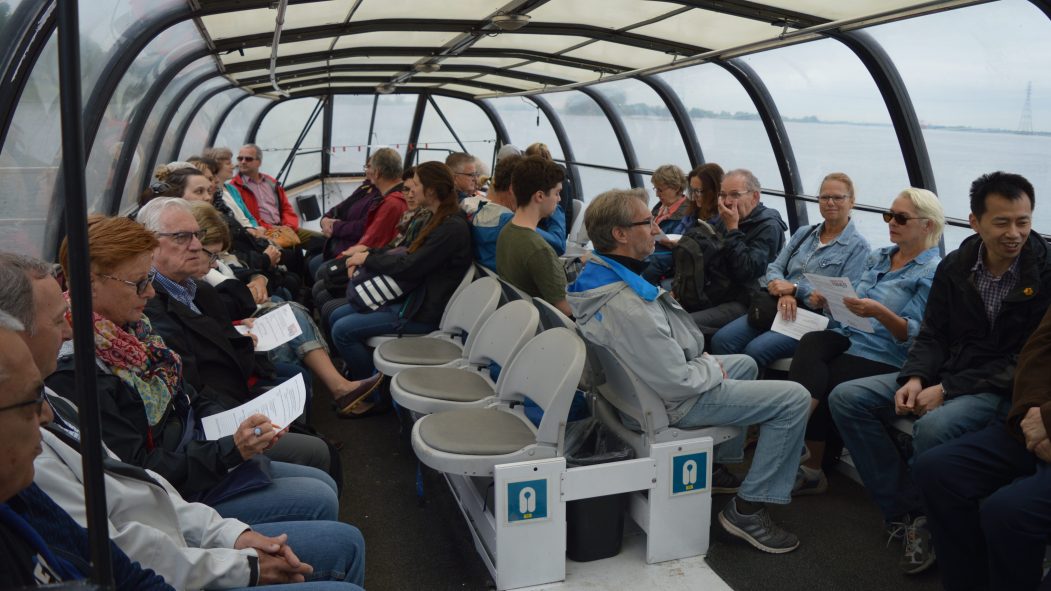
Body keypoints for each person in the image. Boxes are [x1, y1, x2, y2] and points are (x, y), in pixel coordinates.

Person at [0, 252, 367, 590]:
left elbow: (140, 482)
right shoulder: (75, 381)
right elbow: (129, 520)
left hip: (182, 506)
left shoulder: (131, 342)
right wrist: (240, 559)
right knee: (324, 500)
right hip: (186, 502)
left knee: (325, 495)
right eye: (139, 282)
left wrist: (230, 535)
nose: (67, 331)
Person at [46, 216, 339, 525]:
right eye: (140, 283)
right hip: (174, 497)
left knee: (321, 483)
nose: (150, 293)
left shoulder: (133, 332)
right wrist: (230, 450)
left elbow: (185, 396)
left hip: (197, 452)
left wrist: (236, 421)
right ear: (90, 283)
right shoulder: (80, 373)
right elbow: (138, 472)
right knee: (319, 496)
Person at [831, 171, 1051, 576]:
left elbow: (1026, 361)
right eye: (1001, 222)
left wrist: (946, 389)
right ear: (975, 222)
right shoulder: (959, 264)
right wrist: (915, 378)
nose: (1014, 233)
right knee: (848, 398)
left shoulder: (1043, 273)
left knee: (934, 428)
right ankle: (908, 512)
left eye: (1023, 221)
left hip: (998, 386)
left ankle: (930, 521)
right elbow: (933, 332)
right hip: (948, 374)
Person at [567, 189, 810, 554]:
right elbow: (677, 381)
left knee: (744, 362)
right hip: (671, 402)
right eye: (646, 223)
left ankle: (714, 469)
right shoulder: (628, 306)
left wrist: (707, 366)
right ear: (620, 234)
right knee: (794, 399)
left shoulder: (595, 277)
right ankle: (748, 510)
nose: (655, 229)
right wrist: (710, 368)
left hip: (632, 395)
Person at [785, 188, 943, 499]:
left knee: (825, 376)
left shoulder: (932, 272)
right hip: (853, 336)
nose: (891, 222)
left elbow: (914, 334)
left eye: (900, 217)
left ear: (927, 225)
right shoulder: (880, 256)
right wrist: (829, 301)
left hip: (885, 352)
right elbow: (853, 298)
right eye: (889, 215)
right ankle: (794, 441)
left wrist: (880, 312)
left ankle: (803, 456)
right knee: (812, 343)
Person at [0, 312, 174, 589]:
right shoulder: (27, 475)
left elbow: (119, 566)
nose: (45, 415)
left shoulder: (20, 492)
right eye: (31, 400)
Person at [191, 202, 382, 415]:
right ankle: (336, 391)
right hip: (233, 348)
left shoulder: (203, 270)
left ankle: (334, 393)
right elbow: (226, 302)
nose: (215, 263)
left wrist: (259, 278)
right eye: (213, 256)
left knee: (295, 302)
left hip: (241, 325)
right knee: (299, 322)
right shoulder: (191, 284)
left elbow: (234, 275)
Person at [915, 306, 1051, 591]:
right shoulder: (956, 268)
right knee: (936, 469)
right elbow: (1038, 352)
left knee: (1008, 511)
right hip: (1031, 420)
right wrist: (1030, 414)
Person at [329, 161, 473, 381]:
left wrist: (367, 258)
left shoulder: (451, 228)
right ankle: (366, 375)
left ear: (431, 190)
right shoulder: (437, 218)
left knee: (342, 330)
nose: (410, 190)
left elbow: (410, 266)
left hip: (421, 311)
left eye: (415, 184)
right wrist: (370, 256)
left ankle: (368, 391)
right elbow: (408, 257)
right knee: (337, 314)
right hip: (411, 297)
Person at [711, 172, 870, 368]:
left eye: (838, 197)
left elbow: (845, 300)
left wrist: (795, 290)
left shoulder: (858, 248)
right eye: (824, 197)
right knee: (722, 340)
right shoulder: (805, 233)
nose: (830, 202)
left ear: (851, 202)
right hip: (779, 305)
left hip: (816, 318)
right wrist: (785, 292)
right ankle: (724, 391)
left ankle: (751, 395)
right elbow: (774, 267)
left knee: (756, 350)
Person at [691, 168, 787, 336]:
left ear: (755, 197)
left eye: (735, 195)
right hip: (717, 290)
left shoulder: (769, 226)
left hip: (744, 299)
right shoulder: (727, 219)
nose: (727, 202)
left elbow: (747, 270)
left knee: (686, 324)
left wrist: (733, 230)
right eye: (723, 195)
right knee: (668, 312)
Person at [495, 156, 572, 317]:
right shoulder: (539, 249)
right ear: (539, 196)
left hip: (518, 317)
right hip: (543, 326)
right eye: (557, 193)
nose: (559, 199)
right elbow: (565, 309)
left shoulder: (507, 231)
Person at [472, 154, 567, 272]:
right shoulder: (510, 224)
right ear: (513, 189)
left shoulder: (480, 212)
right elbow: (558, 245)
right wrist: (553, 207)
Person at [230, 143, 323, 251]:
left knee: (323, 240)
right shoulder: (235, 187)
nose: (243, 162)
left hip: (284, 227)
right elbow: (246, 218)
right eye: (240, 158)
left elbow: (286, 208)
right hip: (264, 232)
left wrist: (289, 226)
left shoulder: (270, 182)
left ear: (258, 162)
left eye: (248, 159)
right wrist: (272, 229)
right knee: (289, 253)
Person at [641, 164, 690, 284]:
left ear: (676, 188)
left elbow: (684, 249)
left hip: (661, 261)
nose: (657, 194)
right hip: (650, 254)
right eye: (655, 189)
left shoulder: (688, 214)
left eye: (660, 190)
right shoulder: (660, 207)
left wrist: (660, 237)